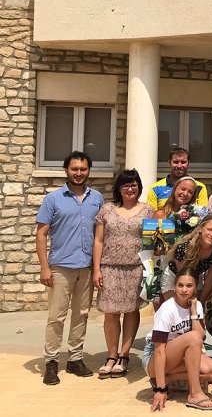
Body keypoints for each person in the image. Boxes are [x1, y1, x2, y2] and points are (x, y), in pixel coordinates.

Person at [36, 151, 104, 385]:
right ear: (66, 170)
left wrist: (98, 267)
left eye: (83, 169)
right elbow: (41, 234)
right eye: (74, 169)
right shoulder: (53, 199)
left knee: (81, 314)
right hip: (61, 267)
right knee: (56, 316)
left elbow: (101, 235)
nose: (78, 173)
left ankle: (75, 359)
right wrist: (44, 268)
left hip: (86, 266)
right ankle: (51, 362)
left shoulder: (96, 198)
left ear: (88, 171)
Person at [92, 169, 154, 378]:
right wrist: (96, 269)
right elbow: (99, 240)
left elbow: (152, 240)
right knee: (110, 313)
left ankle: (124, 355)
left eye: (134, 184)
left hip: (135, 267)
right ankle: (111, 354)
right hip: (110, 267)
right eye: (126, 185)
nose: (130, 188)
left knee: (131, 311)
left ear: (139, 187)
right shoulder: (107, 210)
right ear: (119, 188)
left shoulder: (147, 210)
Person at [143, 266, 212, 411]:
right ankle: (195, 394)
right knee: (193, 337)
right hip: (154, 358)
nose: (184, 290)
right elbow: (159, 351)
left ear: (195, 288)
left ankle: (169, 379)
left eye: (189, 286)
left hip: (180, 355)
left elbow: (201, 336)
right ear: (174, 286)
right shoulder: (167, 309)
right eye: (180, 285)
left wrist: (192, 311)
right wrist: (161, 390)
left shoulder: (196, 305)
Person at [160, 213, 212, 305]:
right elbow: (183, 277)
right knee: (179, 308)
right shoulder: (185, 248)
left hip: (196, 279)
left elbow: (210, 279)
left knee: (195, 310)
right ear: (201, 228)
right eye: (210, 229)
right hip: (175, 277)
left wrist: (201, 301)